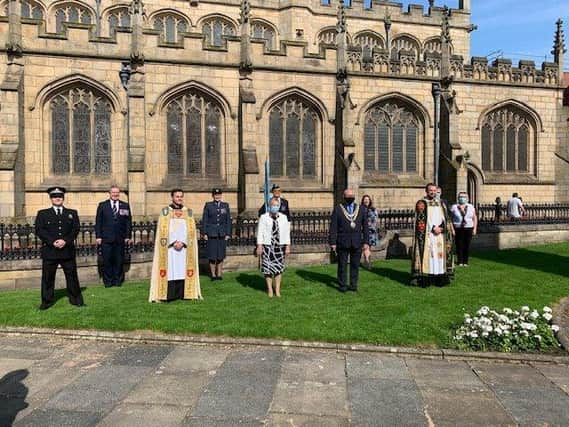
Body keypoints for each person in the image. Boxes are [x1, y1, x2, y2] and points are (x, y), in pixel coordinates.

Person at [35, 187, 84, 310]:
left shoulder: (72, 213)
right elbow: (39, 230)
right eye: (55, 196)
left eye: (60, 196)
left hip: (67, 251)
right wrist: (52, 242)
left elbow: (75, 229)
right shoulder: (43, 214)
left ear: (63, 198)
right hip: (50, 251)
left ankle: (76, 300)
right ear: (51, 198)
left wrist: (65, 241)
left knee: (72, 277)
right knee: (48, 278)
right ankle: (47, 302)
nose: (57, 198)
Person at [149, 189, 202, 302]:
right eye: (177, 196)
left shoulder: (188, 212)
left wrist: (183, 242)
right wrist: (173, 242)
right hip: (170, 248)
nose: (179, 198)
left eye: (181, 196)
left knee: (183, 270)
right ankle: (170, 295)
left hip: (184, 248)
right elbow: (163, 231)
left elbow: (191, 231)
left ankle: (184, 294)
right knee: (171, 271)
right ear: (172, 197)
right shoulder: (165, 212)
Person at [411, 183, 454, 287]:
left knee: (440, 257)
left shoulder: (441, 203)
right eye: (431, 190)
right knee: (429, 256)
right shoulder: (421, 203)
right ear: (426, 191)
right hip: (428, 235)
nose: (433, 192)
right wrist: (433, 227)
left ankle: (440, 278)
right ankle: (427, 279)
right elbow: (421, 220)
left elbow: (446, 218)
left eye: (434, 190)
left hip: (440, 236)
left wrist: (442, 228)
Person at [328, 189, 369, 293]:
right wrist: (333, 242)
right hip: (342, 242)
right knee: (342, 265)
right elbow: (333, 227)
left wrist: (366, 242)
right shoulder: (338, 209)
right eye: (348, 195)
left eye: (352, 195)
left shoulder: (361, 209)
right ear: (344, 196)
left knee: (355, 265)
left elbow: (365, 227)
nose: (350, 197)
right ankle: (342, 286)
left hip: (357, 242)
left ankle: (353, 285)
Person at [95, 185, 132, 287]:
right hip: (106, 239)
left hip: (120, 238)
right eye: (113, 192)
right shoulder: (103, 205)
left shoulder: (125, 205)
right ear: (109, 193)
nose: (115, 194)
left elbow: (128, 222)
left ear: (119, 193)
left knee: (119, 260)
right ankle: (108, 282)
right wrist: (98, 236)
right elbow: (98, 222)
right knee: (107, 261)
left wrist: (128, 236)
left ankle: (118, 281)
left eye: (117, 192)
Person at [256, 197, 291, 297]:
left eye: (277, 205)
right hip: (267, 246)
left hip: (279, 246)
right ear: (269, 206)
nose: (275, 207)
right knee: (267, 269)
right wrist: (259, 245)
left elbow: (287, 232)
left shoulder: (283, 217)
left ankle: (277, 290)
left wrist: (288, 246)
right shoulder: (264, 217)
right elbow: (260, 232)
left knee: (278, 269)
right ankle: (270, 290)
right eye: (273, 205)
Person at [201, 188, 232, 281]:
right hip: (211, 233)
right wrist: (204, 233)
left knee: (220, 255)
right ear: (213, 196)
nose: (217, 196)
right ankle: (213, 275)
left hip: (222, 233)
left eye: (219, 195)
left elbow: (228, 221)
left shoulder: (225, 205)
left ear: (221, 195)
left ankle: (219, 274)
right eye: (215, 195)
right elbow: (205, 220)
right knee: (212, 255)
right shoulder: (208, 205)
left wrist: (228, 233)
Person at [450, 192, 478, 267]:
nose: (462, 198)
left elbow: (474, 218)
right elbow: (450, 219)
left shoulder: (471, 206)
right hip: (458, 228)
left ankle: (465, 261)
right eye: (461, 197)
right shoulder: (454, 207)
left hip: (468, 227)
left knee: (466, 245)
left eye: (464, 197)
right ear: (458, 198)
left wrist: (475, 228)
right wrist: (452, 229)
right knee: (459, 244)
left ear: (467, 198)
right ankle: (460, 261)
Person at [361, 194, 378, 269]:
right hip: (364, 231)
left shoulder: (373, 209)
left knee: (368, 248)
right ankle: (368, 263)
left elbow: (376, 219)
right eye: (365, 199)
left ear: (370, 200)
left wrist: (370, 225)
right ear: (363, 201)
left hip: (371, 231)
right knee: (366, 247)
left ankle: (366, 262)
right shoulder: (361, 209)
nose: (366, 200)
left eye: (367, 199)